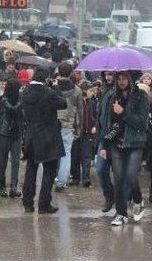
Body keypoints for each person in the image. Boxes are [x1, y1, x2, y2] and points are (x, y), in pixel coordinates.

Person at [98, 72, 149, 226]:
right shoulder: (112, 97)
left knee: (131, 176)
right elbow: (108, 123)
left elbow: (142, 122)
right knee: (118, 179)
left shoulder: (140, 96)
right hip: (116, 144)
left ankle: (139, 200)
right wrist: (104, 144)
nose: (121, 82)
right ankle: (121, 213)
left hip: (135, 142)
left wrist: (124, 112)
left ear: (130, 79)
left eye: (125, 78)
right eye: (119, 79)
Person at [21, 67, 67, 214]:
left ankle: (28, 203)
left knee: (31, 170)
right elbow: (63, 103)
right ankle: (44, 204)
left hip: (31, 136)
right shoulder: (49, 92)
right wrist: (56, 87)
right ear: (46, 78)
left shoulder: (25, 92)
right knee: (49, 171)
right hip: (49, 137)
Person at [54, 63, 83, 192]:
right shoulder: (77, 90)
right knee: (66, 155)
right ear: (71, 72)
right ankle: (61, 183)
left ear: (59, 72)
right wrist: (79, 128)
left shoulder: (53, 87)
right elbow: (80, 111)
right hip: (68, 125)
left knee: (53, 154)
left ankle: (51, 178)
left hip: (53, 124)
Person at [0, 78, 23, 197]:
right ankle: (2, 188)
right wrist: (21, 101)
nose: (20, 90)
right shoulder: (4, 99)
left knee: (16, 162)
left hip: (15, 134)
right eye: (19, 88)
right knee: (3, 162)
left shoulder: (18, 98)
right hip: (4, 133)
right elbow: (13, 110)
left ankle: (13, 188)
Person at [96, 71, 117, 212]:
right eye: (106, 74)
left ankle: (122, 198)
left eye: (111, 74)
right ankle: (109, 195)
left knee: (119, 172)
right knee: (100, 169)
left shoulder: (118, 92)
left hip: (115, 138)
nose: (108, 77)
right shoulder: (103, 91)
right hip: (103, 137)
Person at [75, 81, 98, 188]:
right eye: (90, 90)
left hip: (88, 133)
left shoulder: (92, 103)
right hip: (77, 133)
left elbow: (95, 116)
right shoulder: (77, 101)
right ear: (84, 90)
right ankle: (75, 177)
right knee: (76, 156)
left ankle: (86, 178)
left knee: (87, 156)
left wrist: (94, 126)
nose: (93, 93)